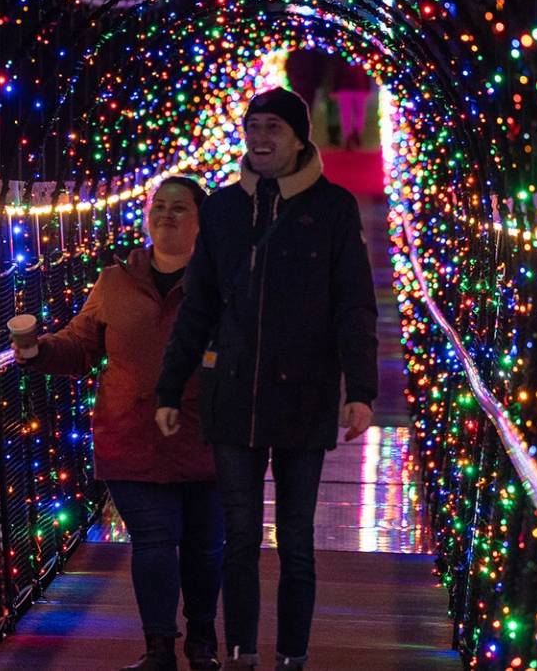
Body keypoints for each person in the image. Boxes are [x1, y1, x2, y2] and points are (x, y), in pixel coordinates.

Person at [153, 87, 378, 671]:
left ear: (299, 137)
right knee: (241, 541)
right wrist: (170, 389)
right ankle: (242, 654)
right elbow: (197, 307)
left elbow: (354, 304)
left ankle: (291, 657)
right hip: (234, 398)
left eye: (273, 127)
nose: (259, 137)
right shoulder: (225, 209)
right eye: (253, 126)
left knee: (297, 544)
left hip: (304, 398)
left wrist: (361, 392)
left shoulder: (333, 208)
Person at [16, 175, 224, 671]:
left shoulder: (227, 280)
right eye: (160, 207)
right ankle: (158, 649)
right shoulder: (114, 281)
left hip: (208, 437)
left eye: (180, 208)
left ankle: (201, 640)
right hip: (132, 436)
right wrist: (37, 349)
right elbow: (81, 345)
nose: (167, 215)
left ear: (202, 221)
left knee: (202, 546)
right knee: (153, 540)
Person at [330, 62, 373, 150]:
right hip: (356, 87)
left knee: (348, 114)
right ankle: (353, 136)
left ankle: (351, 136)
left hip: (349, 88)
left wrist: (334, 89)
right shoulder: (362, 56)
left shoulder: (343, 56)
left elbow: (337, 72)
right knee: (355, 114)